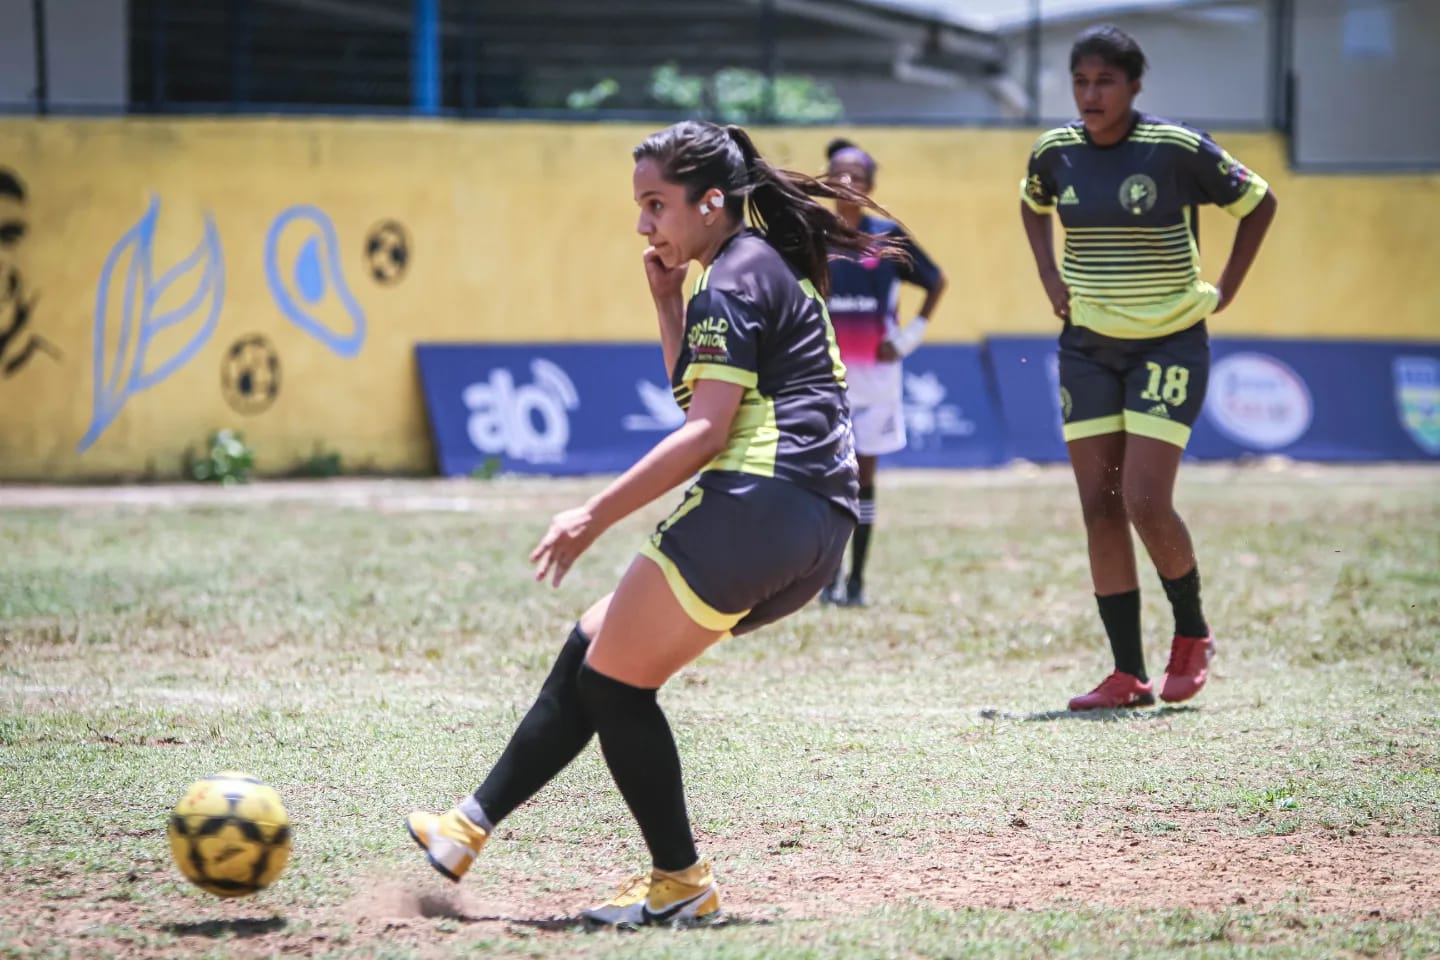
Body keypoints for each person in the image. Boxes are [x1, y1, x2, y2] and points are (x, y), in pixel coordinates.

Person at [407, 120, 889, 927]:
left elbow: (704, 434)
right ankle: (466, 827)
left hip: (760, 502)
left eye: (655, 204)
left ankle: (681, 884)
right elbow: (698, 396)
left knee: (613, 683)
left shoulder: (735, 276)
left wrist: (592, 515)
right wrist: (667, 300)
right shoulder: (753, 263)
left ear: (709, 201)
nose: (643, 224)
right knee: (594, 644)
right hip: (810, 520)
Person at [1018, 24, 1277, 711]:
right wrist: (1048, 274)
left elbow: (1259, 203)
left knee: (1142, 498)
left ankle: (1192, 633)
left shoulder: (1176, 150)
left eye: (1105, 81)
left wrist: (1229, 284)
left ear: (1135, 85)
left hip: (1169, 342)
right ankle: (1126, 674)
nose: (1090, 94)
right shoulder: (1055, 152)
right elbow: (1031, 201)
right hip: (1085, 345)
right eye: (1081, 81)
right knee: (1098, 507)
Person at [818, 138, 947, 608]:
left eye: (856, 174)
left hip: (876, 380)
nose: (846, 181)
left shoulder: (886, 236)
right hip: (825, 380)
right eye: (838, 172)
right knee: (831, 477)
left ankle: (856, 581)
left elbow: (936, 281)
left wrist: (908, 337)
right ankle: (826, 579)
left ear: (871, 185)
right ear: (825, 180)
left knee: (863, 478)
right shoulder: (813, 235)